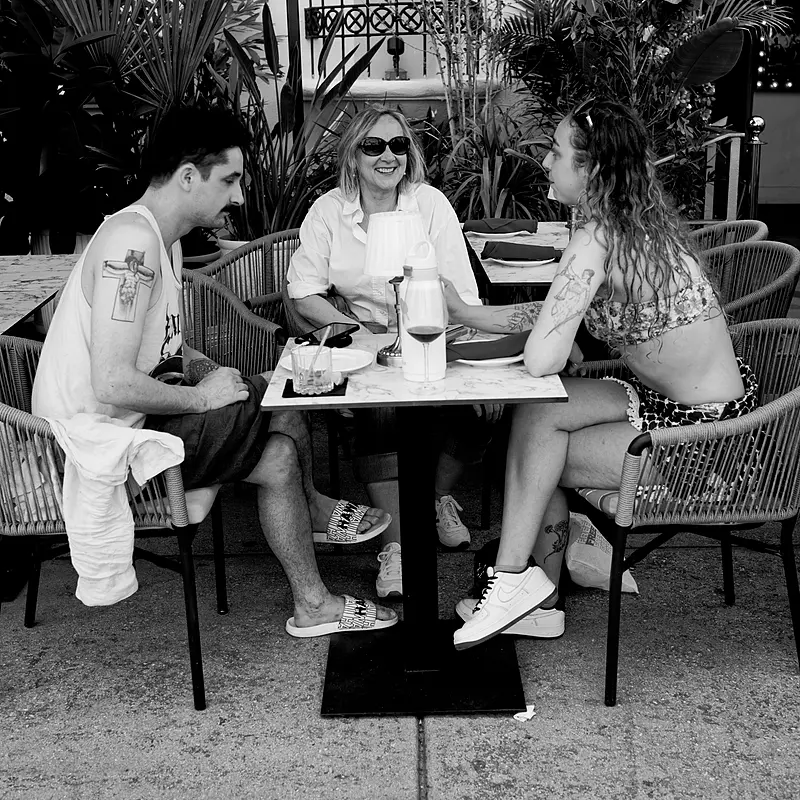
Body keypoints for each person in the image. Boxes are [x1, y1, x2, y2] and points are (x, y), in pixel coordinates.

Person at [31, 105, 398, 637]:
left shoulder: (163, 241)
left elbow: (160, 346)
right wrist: (204, 398)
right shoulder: (130, 245)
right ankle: (315, 530)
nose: (239, 196)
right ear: (187, 177)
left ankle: (313, 600)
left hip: (134, 425)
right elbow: (111, 381)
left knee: (278, 442)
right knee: (278, 395)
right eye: (229, 180)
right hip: (93, 446)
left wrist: (207, 368)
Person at [443, 99, 758, 649]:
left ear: (590, 170)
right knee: (537, 415)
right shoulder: (628, 224)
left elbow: (542, 359)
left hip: (710, 444)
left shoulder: (597, 238)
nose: (545, 162)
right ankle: (527, 590)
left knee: (537, 450)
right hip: (673, 404)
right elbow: (556, 317)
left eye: (556, 152)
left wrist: (552, 337)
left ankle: (521, 585)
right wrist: (469, 314)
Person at [286, 105, 501, 597]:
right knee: (379, 414)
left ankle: (435, 497)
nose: (388, 156)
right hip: (366, 344)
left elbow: (462, 293)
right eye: (374, 145)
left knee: (484, 408)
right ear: (353, 155)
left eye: (399, 145)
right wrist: (353, 329)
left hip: (434, 332)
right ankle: (399, 547)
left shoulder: (429, 205)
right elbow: (303, 291)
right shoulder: (329, 211)